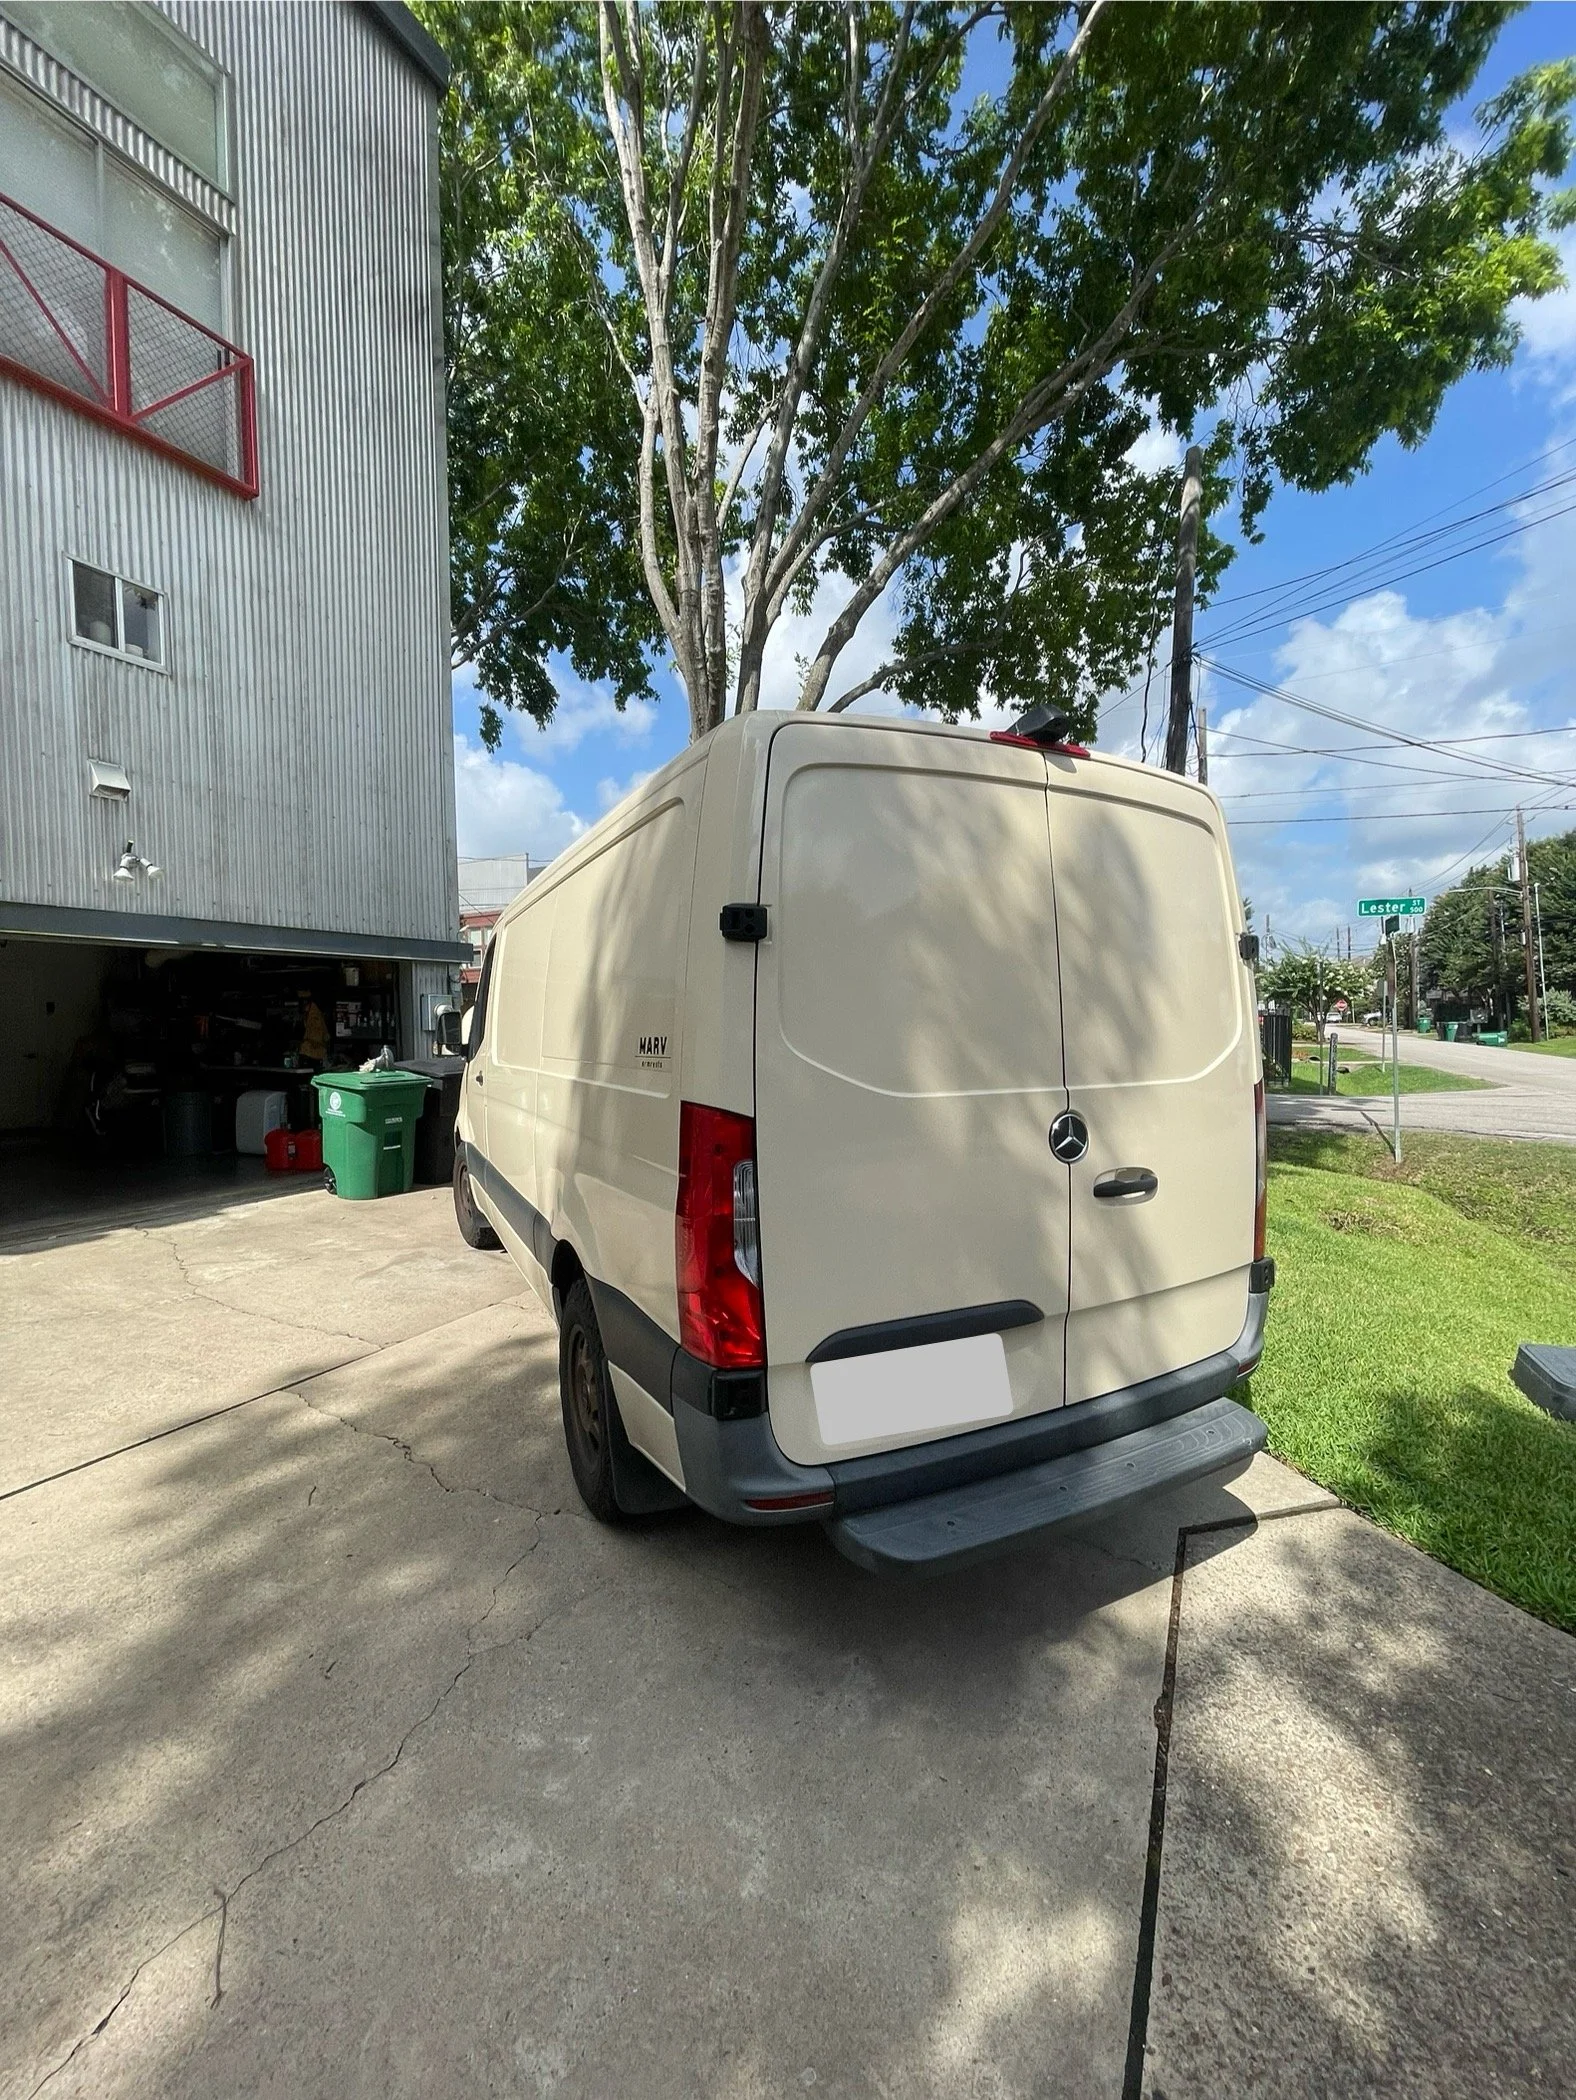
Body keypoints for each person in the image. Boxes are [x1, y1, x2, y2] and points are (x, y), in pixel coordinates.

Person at [296, 990, 330, 1069]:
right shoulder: (310, 1013)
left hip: (314, 1054)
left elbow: (315, 1039)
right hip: (314, 1053)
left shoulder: (314, 1016)